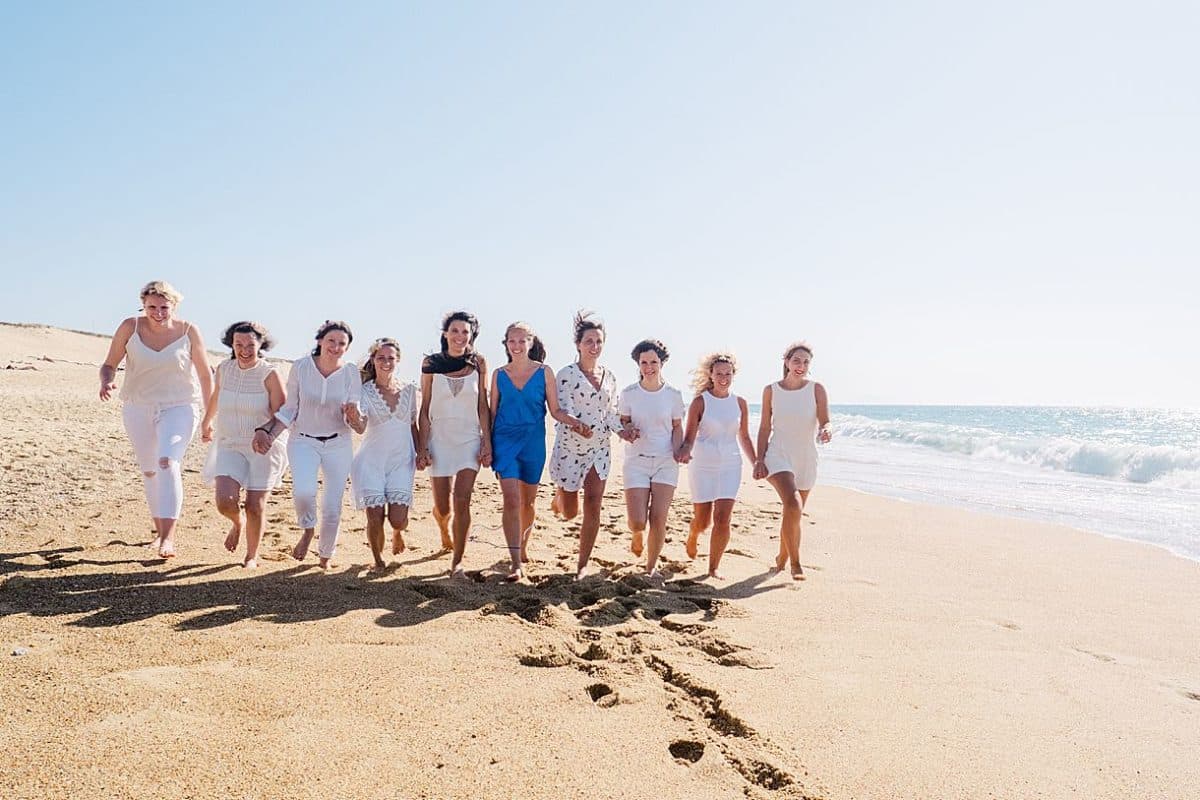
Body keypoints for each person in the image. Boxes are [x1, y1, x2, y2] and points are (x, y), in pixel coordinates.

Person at [99, 281, 213, 559]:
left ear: (174, 306)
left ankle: (167, 538)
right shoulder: (130, 327)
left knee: (168, 462)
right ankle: (158, 530)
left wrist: (209, 418)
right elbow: (109, 364)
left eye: (164, 307)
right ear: (143, 305)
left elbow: (205, 375)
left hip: (180, 406)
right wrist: (107, 382)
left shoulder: (188, 331)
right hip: (138, 407)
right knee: (149, 469)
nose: (158, 313)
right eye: (152, 307)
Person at [256, 320, 362, 570]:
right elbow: (290, 409)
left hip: (339, 443)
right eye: (331, 341)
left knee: (333, 506)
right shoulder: (302, 367)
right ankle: (307, 529)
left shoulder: (350, 373)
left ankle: (325, 556)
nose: (335, 347)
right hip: (303, 439)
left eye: (341, 344)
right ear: (320, 341)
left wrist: (353, 414)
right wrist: (269, 434)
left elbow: (355, 420)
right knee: (304, 492)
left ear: (347, 348)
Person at [489, 321, 583, 581]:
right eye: (512, 341)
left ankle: (523, 545)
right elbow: (492, 412)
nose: (517, 346)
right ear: (506, 344)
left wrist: (576, 422)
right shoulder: (498, 374)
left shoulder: (544, 372)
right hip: (504, 441)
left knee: (528, 502)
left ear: (531, 343)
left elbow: (555, 410)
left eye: (522, 341)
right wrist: (486, 445)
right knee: (511, 500)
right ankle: (515, 561)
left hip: (533, 443)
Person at [548, 311, 635, 579]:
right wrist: (577, 424)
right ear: (578, 344)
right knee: (570, 513)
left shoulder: (610, 376)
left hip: (599, 449)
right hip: (571, 448)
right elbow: (562, 409)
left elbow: (610, 412)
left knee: (594, 505)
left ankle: (582, 565)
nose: (594, 347)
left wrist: (624, 431)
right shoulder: (566, 374)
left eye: (598, 342)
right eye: (589, 341)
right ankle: (561, 496)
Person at [199, 321, 288, 568]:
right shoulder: (225, 369)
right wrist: (206, 422)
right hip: (229, 443)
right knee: (225, 501)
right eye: (239, 344)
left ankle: (251, 556)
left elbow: (283, 412)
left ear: (261, 345)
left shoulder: (269, 373)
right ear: (232, 344)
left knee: (254, 505)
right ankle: (237, 524)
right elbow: (217, 395)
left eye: (251, 344)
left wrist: (265, 434)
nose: (245, 350)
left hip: (263, 446)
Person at [416, 311, 492, 577]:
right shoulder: (430, 363)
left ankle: (457, 562)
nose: (460, 337)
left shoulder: (479, 363)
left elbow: (483, 405)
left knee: (462, 499)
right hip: (439, 439)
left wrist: (487, 442)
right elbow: (424, 408)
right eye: (455, 331)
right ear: (445, 333)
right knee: (444, 507)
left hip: (469, 438)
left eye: (465, 332)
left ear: (472, 336)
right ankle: (442, 525)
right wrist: (422, 447)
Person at [752, 341, 832, 581]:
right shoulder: (771, 390)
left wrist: (827, 430)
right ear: (786, 362)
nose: (801, 366)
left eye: (806, 362)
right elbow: (765, 427)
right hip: (778, 455)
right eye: (796, 360)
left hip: (806, 458)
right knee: (794, 504)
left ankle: (781, 558)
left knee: (793, 512)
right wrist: (759, 459)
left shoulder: (816, 389)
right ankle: (796, 564)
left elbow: (825, 420)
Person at [676, 353, 756, 579]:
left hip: (731, 464)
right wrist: (684, 451)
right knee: (703, 521)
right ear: (711, 375)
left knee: (722, 519)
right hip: (703, 466)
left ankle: (713, 568)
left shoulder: (739, 403)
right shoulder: (701, 402)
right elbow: (689, 437)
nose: (723, 378)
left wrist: (757, 462)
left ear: (733, 375)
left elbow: (745, 437)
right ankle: (693, 534)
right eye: (719, 373)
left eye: (728, 374)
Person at [349, 338, 419, 573]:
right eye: (381, 358)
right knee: (375, 515)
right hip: (371, 462)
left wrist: (421, 452)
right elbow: (360, 427)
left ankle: (398, 534)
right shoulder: (364, 392)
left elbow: (413, 426)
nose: (386, 362)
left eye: (391, 358)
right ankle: (378, 561)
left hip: (401, 461)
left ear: (397, 360)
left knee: (397, 519)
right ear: (373, 360)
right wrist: (352, 416)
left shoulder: (409, 390)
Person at [618, 339, 686, 578]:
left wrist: (679, 450)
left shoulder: (673, 395)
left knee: (659, 517)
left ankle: (651, 567)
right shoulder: (628, 394)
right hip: (636, 460)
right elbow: (623, 421)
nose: (649, 367)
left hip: (666, 461)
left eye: (653, 362)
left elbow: (677, 427)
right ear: (638, 364)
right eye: (644, 362)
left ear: (662, 363)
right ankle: (637, 535)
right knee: (638, 521)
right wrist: (628, 431)